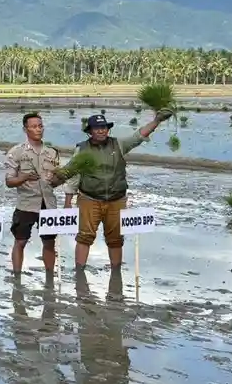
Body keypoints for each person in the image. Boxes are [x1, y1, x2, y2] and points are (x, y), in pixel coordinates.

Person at [62, 111, 170, 270]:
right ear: (90, 131)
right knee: (84, 237)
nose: (101, 131)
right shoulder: (82, 149)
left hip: (116, 200)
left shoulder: (118, 144)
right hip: (89, 199)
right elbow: (74, 175)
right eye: (97, 128)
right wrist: (68, 202)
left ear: (108, 129)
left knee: (115, 239)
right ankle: (79, 272)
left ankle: (116, 271)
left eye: (104, 127)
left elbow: (138, 136)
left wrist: (156, 121)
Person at [4, 113, 67, 276]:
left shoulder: (52, 153)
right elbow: (9, 181)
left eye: (40, 126)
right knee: (20, 241)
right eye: (33, 126)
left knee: (49, 242)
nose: (38, 129)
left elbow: (57, 181)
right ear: (25, 129)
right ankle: (17, 277)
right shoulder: (16, 152)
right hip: (26, 204)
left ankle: (50, 277)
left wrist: (59, 178)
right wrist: (24, 177)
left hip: (48, 204)